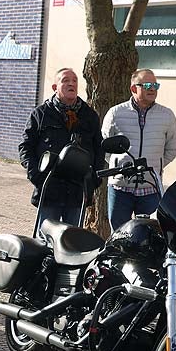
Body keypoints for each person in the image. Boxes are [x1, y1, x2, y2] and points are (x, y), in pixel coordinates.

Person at [18, 67, 103, 230]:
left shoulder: (89, 116)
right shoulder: (41, 114)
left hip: (78, 192)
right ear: (55, 87)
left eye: (74, 80)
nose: (71, 84)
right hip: (50, 190)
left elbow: (99, 150)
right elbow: (25, 148)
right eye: (65, 80)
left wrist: (93, 181)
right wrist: (37, 176)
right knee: (45, 243)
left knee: (72, 243)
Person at [101, 68, 176, 230]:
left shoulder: (167, 115)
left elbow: (172, 148)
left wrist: (154, 166)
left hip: (151, 188)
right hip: (120, 188)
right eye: (147, 85)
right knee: (119, 234)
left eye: (155, 86)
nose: (152, 89)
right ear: (133, 88)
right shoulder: (116, 113)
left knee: (151, 235)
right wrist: (119, 165)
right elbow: (105, 146)